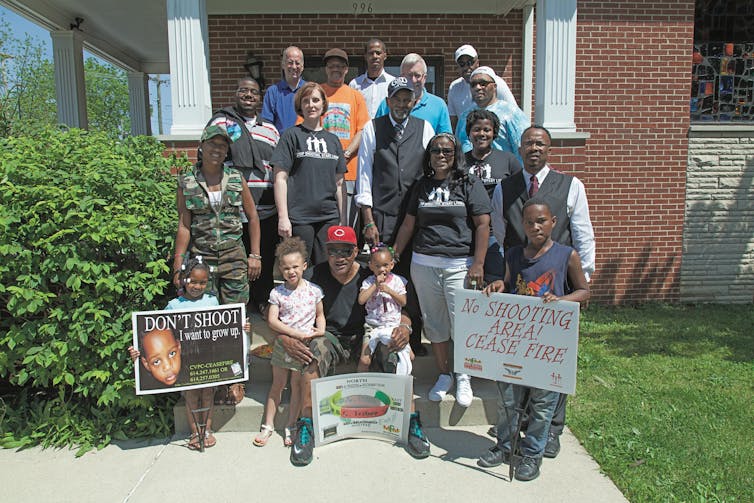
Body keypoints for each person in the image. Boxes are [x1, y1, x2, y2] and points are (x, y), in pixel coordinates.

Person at [278, 225, 430, 465]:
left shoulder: (371, 276)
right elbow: (278, 307)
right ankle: (305, 426)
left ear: (356, 252)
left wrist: (405, 328)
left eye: (346, 251)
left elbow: (404, 310)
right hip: (331, 337)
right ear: (325, 252)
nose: (339, 257)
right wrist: (284, 337)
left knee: (396, 355)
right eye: (333, 251)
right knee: (312, 355)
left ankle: (411, 423)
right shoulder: (311, 277)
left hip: (366, 335)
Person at [491, 125, 595, 458]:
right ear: (518, 149)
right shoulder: (503, 189)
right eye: (528, 144)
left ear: (549, 149)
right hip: (519, 285)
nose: (533, 148)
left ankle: (552, 430)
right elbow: (497, 232)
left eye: (540, 143)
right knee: (519, 360)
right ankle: (518, 427)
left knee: (554, 364)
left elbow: (583, 233)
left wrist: (583, 283)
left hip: (557, 289)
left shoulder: (570, 185)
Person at [477, 198, 589, 481]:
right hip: (516, 343)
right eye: (529, 222)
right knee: (508, 399)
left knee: (541, 404)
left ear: (553, 222)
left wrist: (561, 300)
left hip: (548, 345)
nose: (535, 226)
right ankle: (505, 446)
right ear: (522, 225)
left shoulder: (567, 255)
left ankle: (531, 453)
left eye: (541, 220)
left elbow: (584, 292)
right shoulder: (514, 254)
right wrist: (499, 285)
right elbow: (509, 281)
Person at [393, 133, 491, 408]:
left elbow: (483, 225)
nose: (441, 155)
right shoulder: (421, 186)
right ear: (429, 155)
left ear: (456, 154)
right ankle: (444, 373)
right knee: (435, 324)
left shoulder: (469, 183)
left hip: (459, 264)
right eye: (435, 150)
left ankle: (464, 375)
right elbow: (408, 226)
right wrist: (394, 255)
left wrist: (479, 263)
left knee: (462, 324)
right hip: (424, 264)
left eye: (447, 151)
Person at [355, 76, 434, 355]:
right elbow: (363, 176)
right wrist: (368, 220)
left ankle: (411, 338)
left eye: (406, 99)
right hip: (383, 216)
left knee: (412, 277)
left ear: (413, 101)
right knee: (382, 274)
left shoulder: (425, 128)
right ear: (388, 101)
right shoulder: (372, 129)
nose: (402, 104)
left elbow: (429, 172)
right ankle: (375, 337)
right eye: (396, 99)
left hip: (416, 217)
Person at [207, 77, 280, 314]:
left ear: (260, 98)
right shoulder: (223, 121)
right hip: (233, 208)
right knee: (237, 258)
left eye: (253, 92)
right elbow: (211, 156)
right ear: (235, 94)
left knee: (265, 258)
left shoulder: (270, 128)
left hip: (266, 206)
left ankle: (262, 298)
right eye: (243, 91)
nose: (248, 95)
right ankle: (239, 304)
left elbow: (277, 165)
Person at [129, 257, 218, 450]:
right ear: (183, 279)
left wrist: (241, 326)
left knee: (208, 393)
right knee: (192, 395)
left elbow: (223, 328)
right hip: (185, 362)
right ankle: (196, 432)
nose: (197, 286)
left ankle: (208, 430)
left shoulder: (213, 301)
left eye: (203, 282)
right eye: (193, 281)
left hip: (207, 359)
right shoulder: (173, 306)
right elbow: (156, 332)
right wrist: (139, 350)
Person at [173, 124, 261, 306]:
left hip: (234, 257)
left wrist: (255, 255)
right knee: (205, 311)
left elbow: (252, 217)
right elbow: (184, 225)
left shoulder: (236, 178)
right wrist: (178, 263)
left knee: (236, 313)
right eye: (212, 143)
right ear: (201, 145)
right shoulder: (187, 181)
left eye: (223, 146)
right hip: (202, 260)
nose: (217, 149)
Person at [254, 237, 325, 448]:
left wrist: (320, 330)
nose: (290, 271)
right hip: (284, 344)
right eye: (285, 268)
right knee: (277, 385)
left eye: (295, 266)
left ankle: (291, 425)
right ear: (279, 269)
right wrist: (293, 333)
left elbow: (320, 315)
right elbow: (272, 320)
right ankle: (267, 425)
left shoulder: (314, 291)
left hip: (304, 346)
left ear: (304, 266)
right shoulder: (277, 293)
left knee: (296, 386)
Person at [271, 82, 346, 275]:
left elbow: (339, 183)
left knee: (326, 270)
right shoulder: (291, 136)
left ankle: (322, 305)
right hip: (300, 217)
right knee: (299, 270)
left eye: (315, 100)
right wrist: (283, 217)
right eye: (306, 101)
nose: (311, 105)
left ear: (323, 104)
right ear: (300, 106)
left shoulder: (333, 141)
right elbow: (280, 179)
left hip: (328, 217)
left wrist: (343, 218)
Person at [464, 109, 522, 283]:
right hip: (467, 235)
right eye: (476, 129)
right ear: (469, 133)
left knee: (496, 283)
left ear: (494, 133)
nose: (481, 134)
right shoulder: (459, 162)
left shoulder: (508, 160)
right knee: (470, 287)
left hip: (496, 236)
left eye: (487, 130)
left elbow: (519, 195)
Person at [357, 243, 412, 375]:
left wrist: (389, 290)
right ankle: (360, 388)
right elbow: (361, 300)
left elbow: (403, 302)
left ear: (392, 265)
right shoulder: (368, 282)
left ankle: (401, 385)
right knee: (365, 360)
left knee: (409, 357)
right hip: (373, 326)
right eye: (377, 266)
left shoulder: (398, 281)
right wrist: (375, 286)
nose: (382, 269)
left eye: (386, 265)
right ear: (371, 266)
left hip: (393, 325)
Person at [455, 66, 530, 159]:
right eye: (473, 84)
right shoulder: (464, 116)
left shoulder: (511, 113)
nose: (478, 87)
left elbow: (522, 148)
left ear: (494, 87)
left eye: (483, 83)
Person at [374, 53, 452, 134]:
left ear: (424, 78)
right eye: (409, 75)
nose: (413, 80)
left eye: (417, 75)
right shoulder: (387, 104)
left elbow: (445, 140)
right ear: (401, 77)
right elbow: (375, 134)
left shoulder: (438, 105)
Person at [447, 44, 518, 131]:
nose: (466, 67)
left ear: (477, 63)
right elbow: (453, 121)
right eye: (462, 64)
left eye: (470, 62)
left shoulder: (495, 82)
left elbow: (514, 112)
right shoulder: (454, 87)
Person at [261, 46, 306, 132]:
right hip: (280, 143)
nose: (294, 67)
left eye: (297, 63)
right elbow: (267, 124)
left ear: (303, 66)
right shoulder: (273, 92)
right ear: (283, 65)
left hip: (305, 142)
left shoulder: (309, 90)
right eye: (290, 62)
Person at [349, 38, 395, 118]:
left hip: (386, 129)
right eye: (371, 53)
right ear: (365, 56)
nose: (375, 56)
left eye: (378, 53)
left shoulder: (393, 83)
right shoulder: (355, 84)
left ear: (385, 56)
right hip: (362, 129)